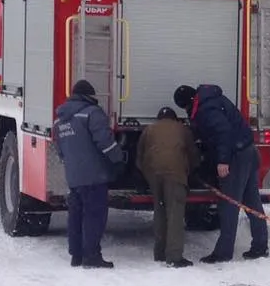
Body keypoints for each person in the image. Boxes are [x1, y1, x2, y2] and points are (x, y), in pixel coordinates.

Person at [174, 82, 269, 263]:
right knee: (252, 201)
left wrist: (223, 161)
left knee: (228, 204)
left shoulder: (206, 110)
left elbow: (223, 133)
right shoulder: (212, 100)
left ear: (189, 102)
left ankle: (223, 253)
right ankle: (260, 245)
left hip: (236, 156)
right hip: (248, 151)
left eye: (185, 107)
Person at [54, 79, 124, 269]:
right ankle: (91, 256)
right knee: (94, 216)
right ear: (88, 96)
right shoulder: (92, 114)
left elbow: (60, 150)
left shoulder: (60, 120)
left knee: (75, 216)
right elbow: (105, 143)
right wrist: (119, 159)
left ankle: (76, 255)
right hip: (94, 176)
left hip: (74, 177)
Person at [139, 106, 200, 269]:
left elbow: (140, 156)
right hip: (175, 174)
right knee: (174, 214)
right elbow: (192, 154)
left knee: (159, 211)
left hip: (154, 173)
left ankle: (159, 252)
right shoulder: (183, 129)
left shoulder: (149, 130)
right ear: (175, 118)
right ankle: (174, 256)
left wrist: (147, 175)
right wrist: (191, 171)